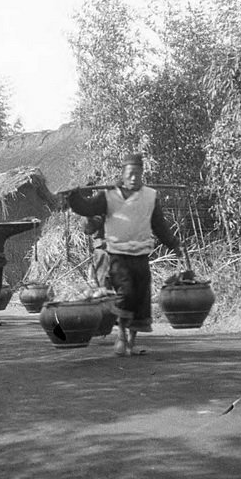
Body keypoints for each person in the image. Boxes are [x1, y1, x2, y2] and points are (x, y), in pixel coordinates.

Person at [66, 153, 182, 357]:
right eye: (131, 174)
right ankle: (120, 336)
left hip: (141, 256)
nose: (134, 178)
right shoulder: (109, 196)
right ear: (123, 174)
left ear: (142, 174)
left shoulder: (150, 196)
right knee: (126, 293)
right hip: (118, 256)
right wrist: (74, 197)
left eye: (138, 174)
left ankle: (132, 342)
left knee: (141, 299)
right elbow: (87, 207)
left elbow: (159, 225)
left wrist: (173, 244)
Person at [81, 214, 111, 289]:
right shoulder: (94, 209)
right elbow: (87, 229)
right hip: (103, 247)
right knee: (103, 284)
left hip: (124, 247)